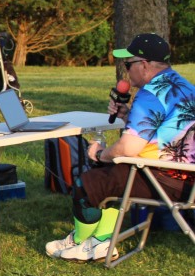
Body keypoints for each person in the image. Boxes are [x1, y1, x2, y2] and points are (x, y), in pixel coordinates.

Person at [46, 33, 195, 261]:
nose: (126, 71)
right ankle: (101, 241)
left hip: (164, 177)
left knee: (87, 183)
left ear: (144, 65)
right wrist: (127, 116)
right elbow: (165, 132)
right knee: (112, 175)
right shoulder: (184, 86)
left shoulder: (150, 95)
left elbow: (127, 149)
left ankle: (79, 241)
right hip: (186, 177)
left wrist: (99, 153)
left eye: (128, 65)